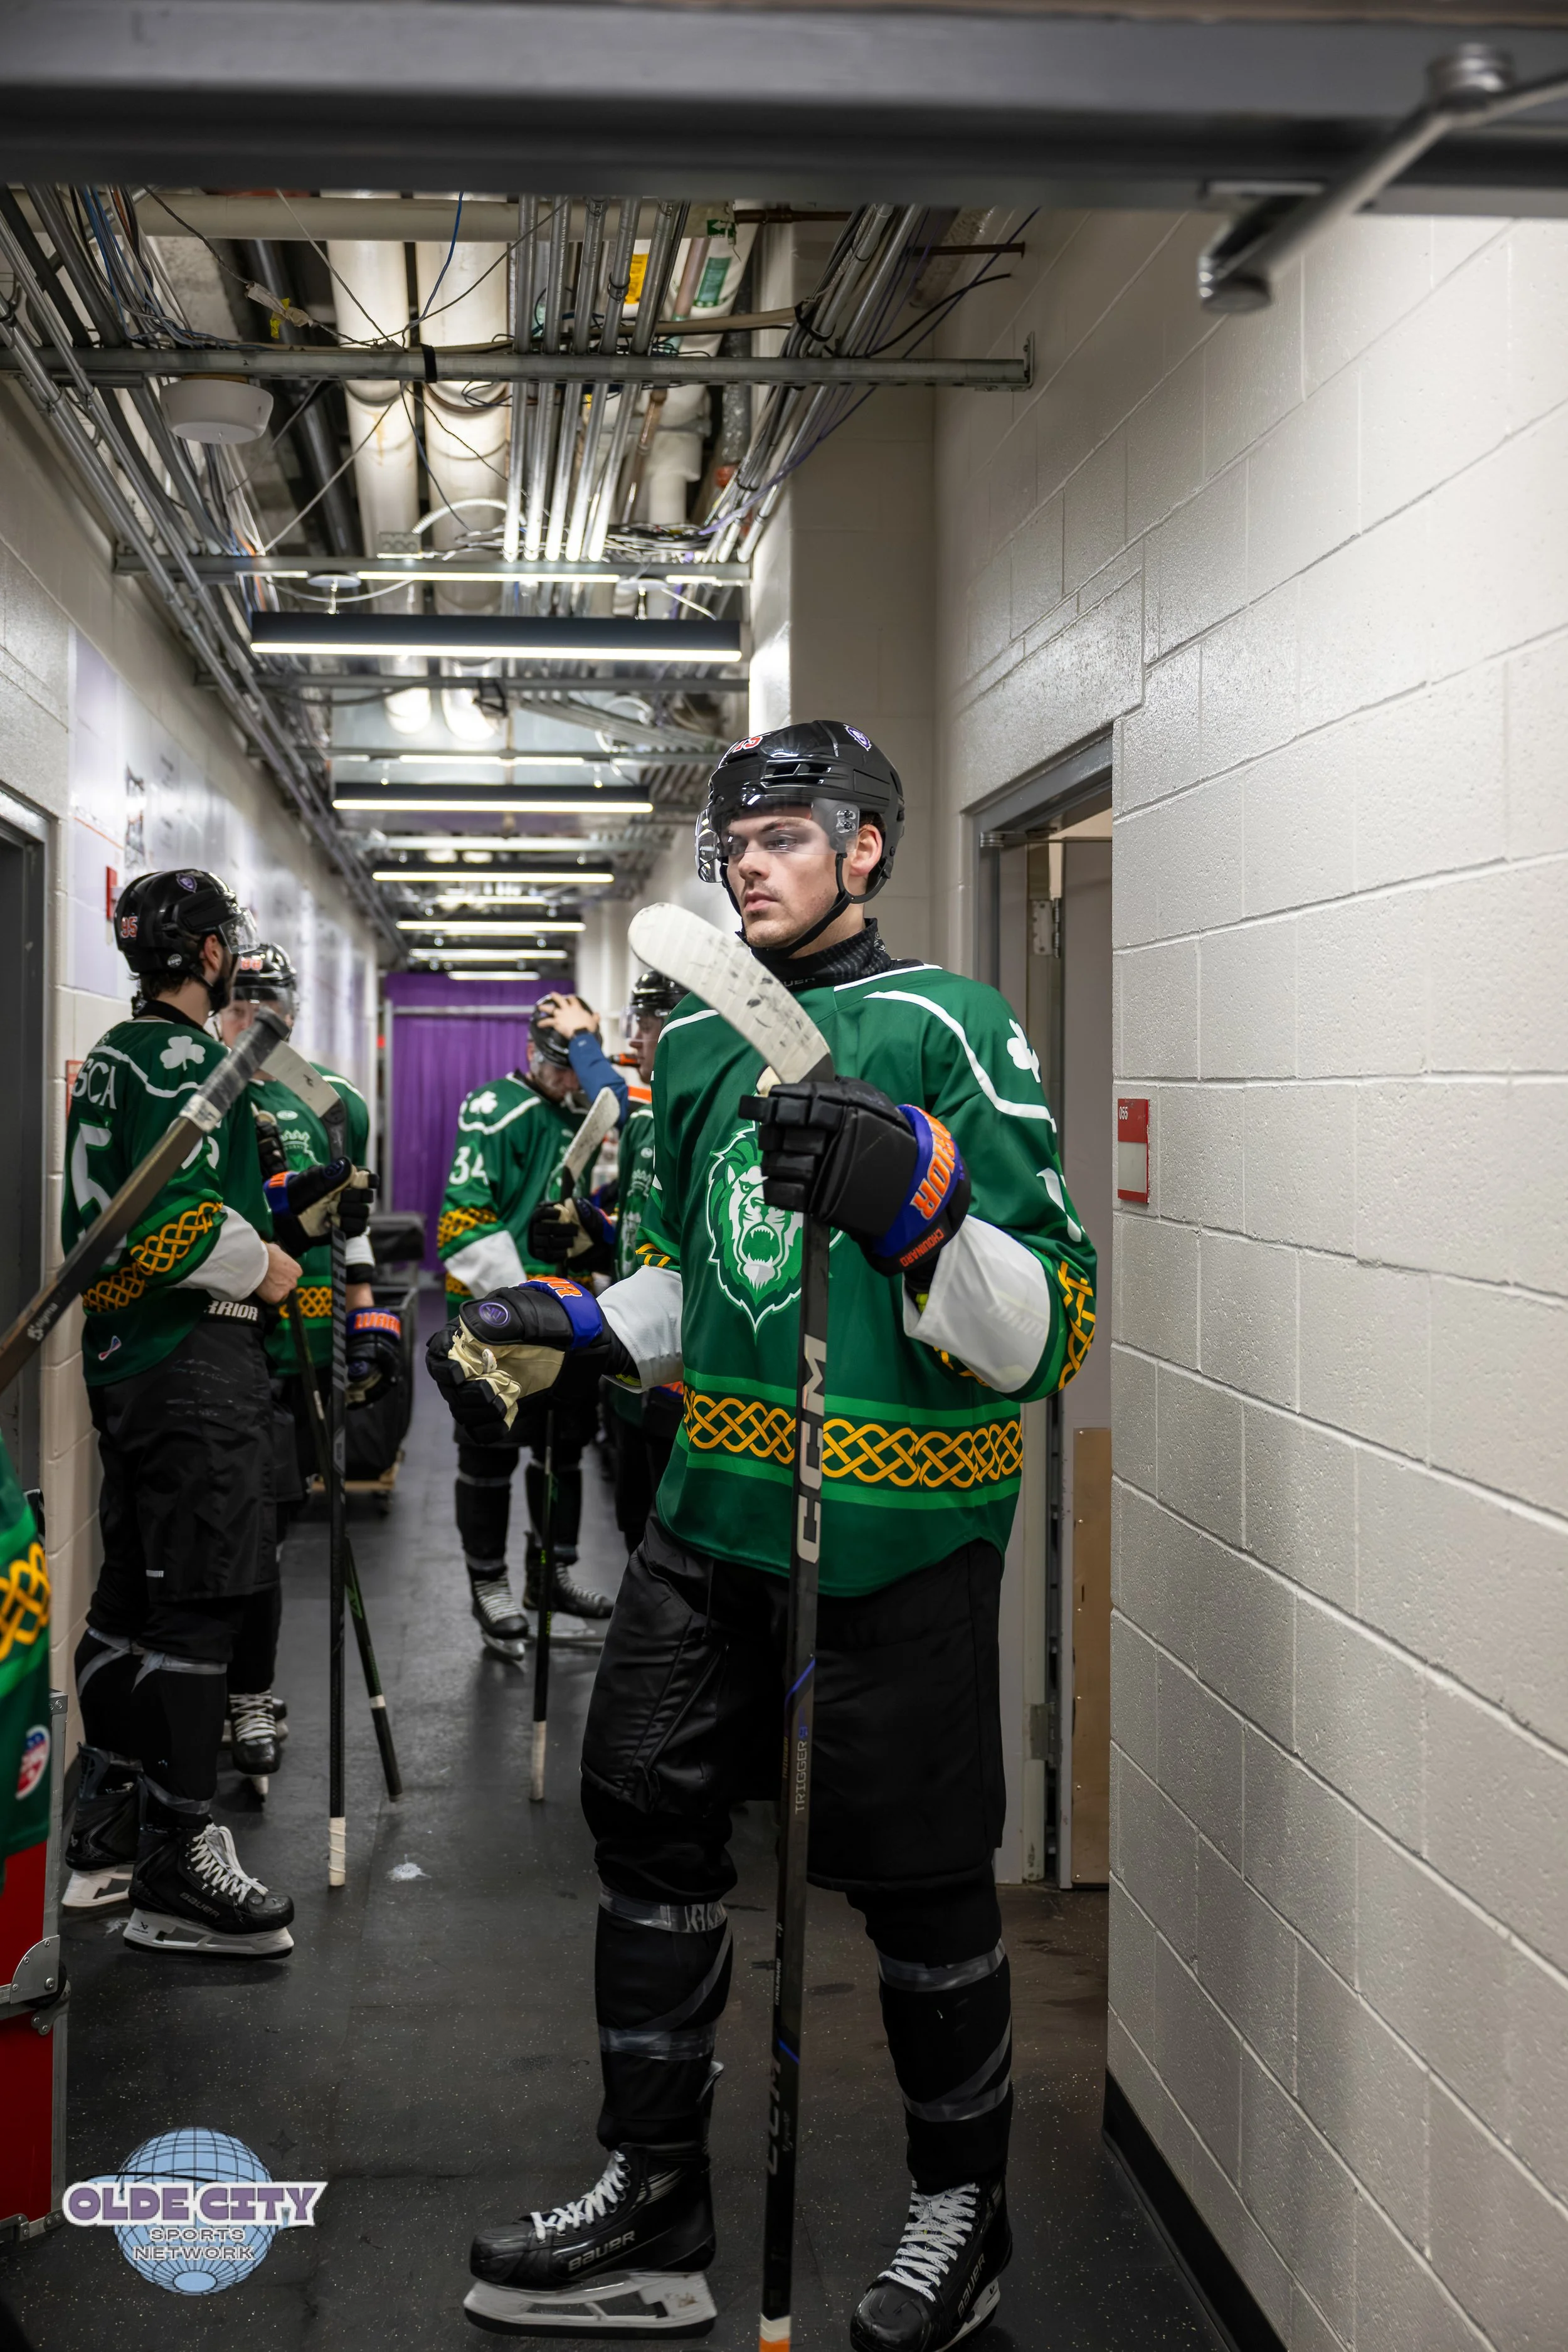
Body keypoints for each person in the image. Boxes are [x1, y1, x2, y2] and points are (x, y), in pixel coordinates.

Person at [427, 721, 1098, 2349]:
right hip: (705, 1528)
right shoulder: (710, 1051)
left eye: (785, 834)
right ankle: (653, 2199)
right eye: (733, 841)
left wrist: (915, 1201)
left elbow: (1048, 1330)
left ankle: (964, 2208)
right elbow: (693, 1288)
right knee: (644, 1830)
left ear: (864, 846)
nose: (748, 861)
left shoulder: (952, 1022)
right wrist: (578, 1321)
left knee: (925, 1892)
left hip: (893, 1553)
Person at [61, 870, 300, 1955]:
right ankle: (178, 1856)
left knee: (130, 1595)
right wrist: (271, 1264)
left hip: (126, 1363)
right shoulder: (181, 1057)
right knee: (202, 1603)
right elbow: (171, 1219)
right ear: (208, 955)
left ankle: (105, 1814)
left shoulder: (115, 1057)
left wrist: (275, 1197)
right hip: (191, 1359)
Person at [214, 942, 387, 1790]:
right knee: (231, 1524)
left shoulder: (331, 1096)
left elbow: (351, 1216)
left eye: (270, 1003)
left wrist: (367, 1313)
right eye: (242, 1001)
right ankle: (234, 1685)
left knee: (278, 1519)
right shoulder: (206, 1088)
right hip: (220, 1335)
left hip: (306, 1336)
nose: (256, 1017)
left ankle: (249, 1682)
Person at [437, 1009, 617, 1658]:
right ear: (534, 1053)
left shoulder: (587, 1117)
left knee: (560, 1451)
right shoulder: (492, 1106)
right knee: (489, 1451)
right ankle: (489, 1583)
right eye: (559, 1064)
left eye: (575, 1066)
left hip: (564, 1317)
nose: (568, 1079)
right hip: (498, 1315)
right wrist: (524, 1301)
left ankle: (552, 1575)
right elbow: (461, 1219)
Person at [527, 968, 684, 1553]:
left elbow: (612, 1100)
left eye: (646, 1023)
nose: (635, 1039)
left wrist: (584, 1039)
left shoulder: (681, 1108)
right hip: (632, 1373)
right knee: (634, 1531)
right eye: (633, 1024)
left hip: (679, 1378)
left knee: (671, 1545)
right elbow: (645, 1224)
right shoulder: (647, 1119)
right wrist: (598, 1234)